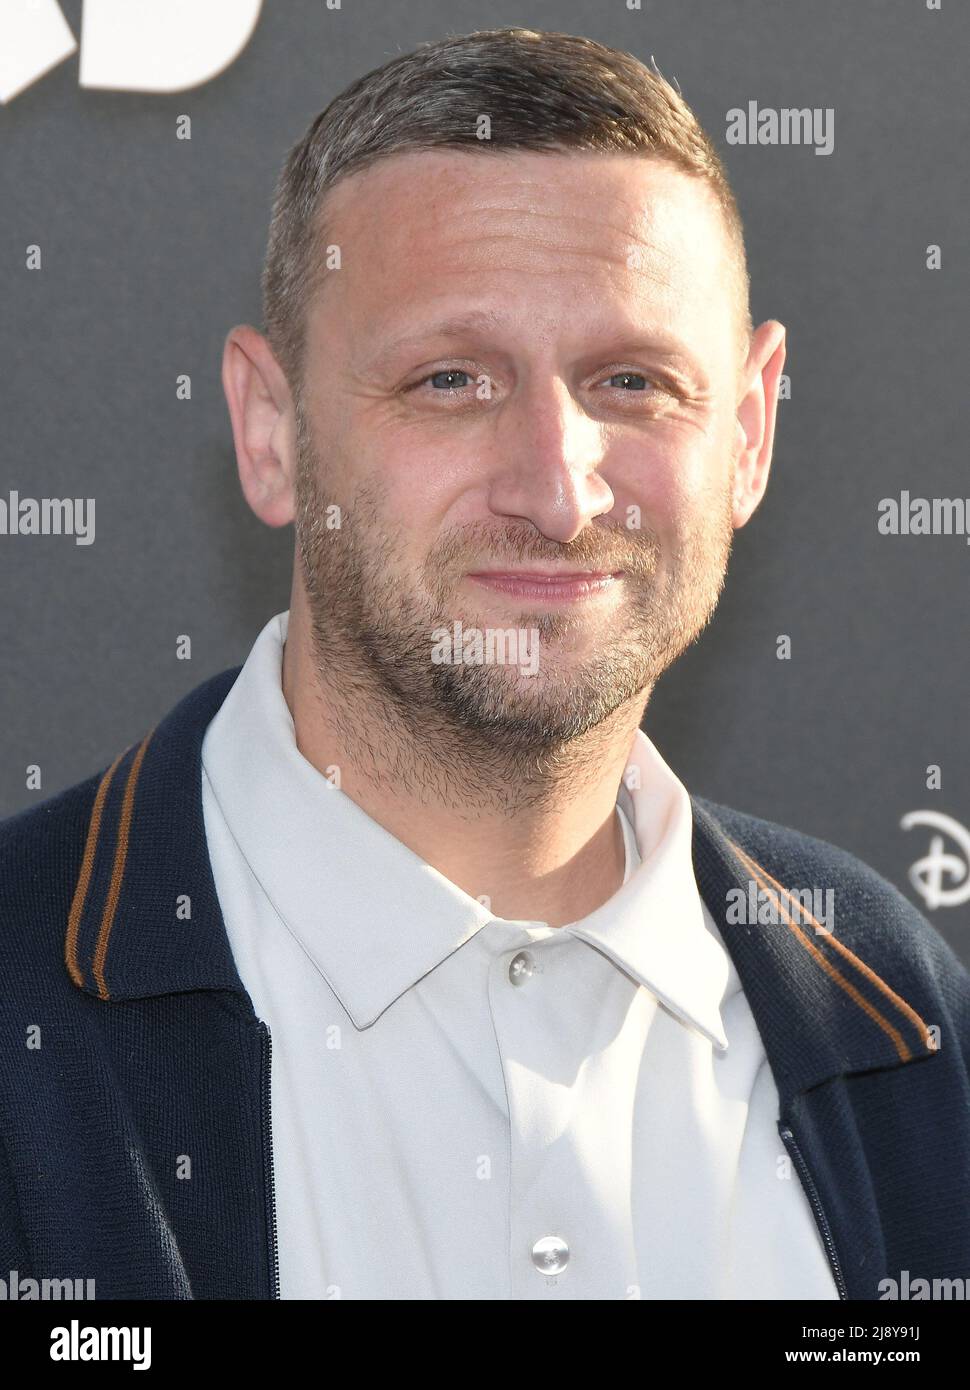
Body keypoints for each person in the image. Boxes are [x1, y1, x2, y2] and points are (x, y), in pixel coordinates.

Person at [1, 26, 967, 1302]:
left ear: (745, 433)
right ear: (271, 429)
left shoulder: (899, 1022)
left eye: (631, 380)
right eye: (451, 380)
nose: (555, 494)